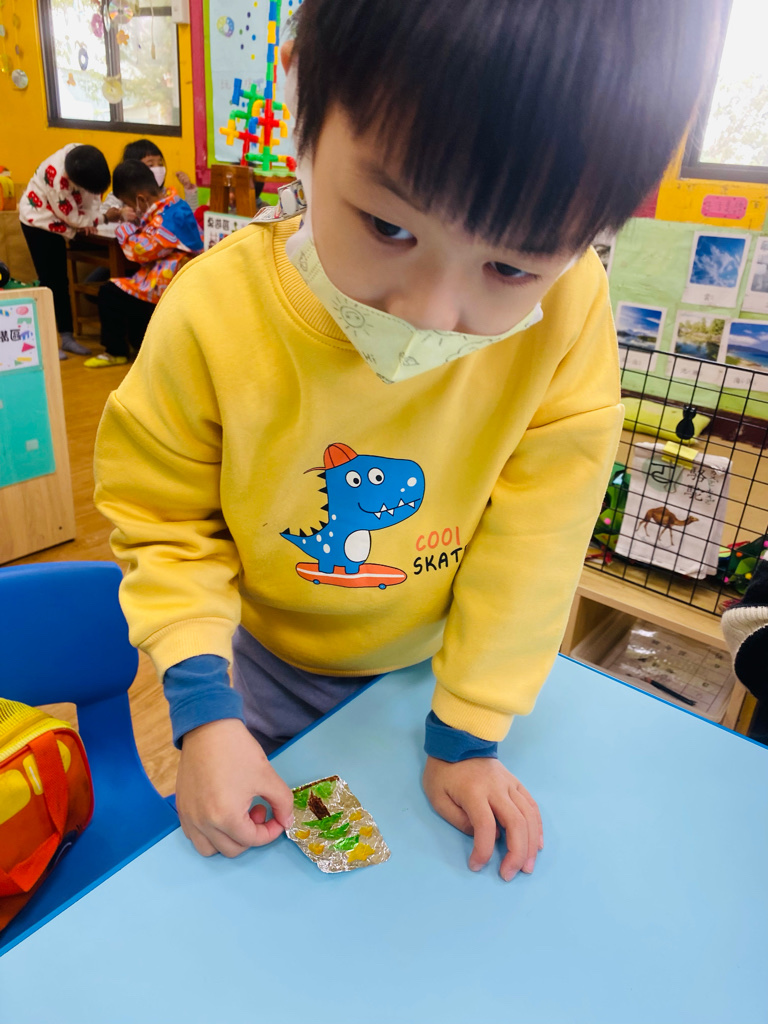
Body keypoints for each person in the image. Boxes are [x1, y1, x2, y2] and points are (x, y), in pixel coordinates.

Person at [94, 0, 724, 878]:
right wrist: (204, 713)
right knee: (261, 865)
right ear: (303, 106)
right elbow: (165, 520)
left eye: (512, 267)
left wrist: (468, 728)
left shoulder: (571, 314)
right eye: (388, 226)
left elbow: (538, 535)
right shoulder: (213, 313)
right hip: (261, 664)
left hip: (436, 668)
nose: (430, 312)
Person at [85, 160, 203, 368]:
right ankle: (137, 345)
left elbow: (139, 251)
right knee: (125, 292)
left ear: (140, 199)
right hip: (166, 279)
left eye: (129, 204)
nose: (131, 209)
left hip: (168, 285)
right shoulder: (175, 205)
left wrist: (124, 226)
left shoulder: (166, 218)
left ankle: (115, 351)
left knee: (110, 293)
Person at [19, 144, 110, 359]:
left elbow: (93, 197)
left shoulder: (87, 160)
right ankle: (48, 341)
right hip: (39, 222)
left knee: (61, 281)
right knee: (50, 283)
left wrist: (91, 218)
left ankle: (67, 337)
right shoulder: (57, 177)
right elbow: (71, 217)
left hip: (62, 223)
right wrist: (101, 218)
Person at [100, 139, 199, 226]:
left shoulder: (165, 194)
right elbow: (101, 218)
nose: (158, 169)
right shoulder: (120, 195)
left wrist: (189, 189)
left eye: (160, 164)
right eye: (150, 165)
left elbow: (189, 219)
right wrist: (120, 214)